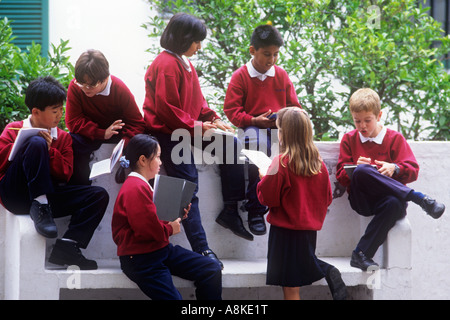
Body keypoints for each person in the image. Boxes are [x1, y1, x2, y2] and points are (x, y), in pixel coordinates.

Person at [143, 13, 249, 266]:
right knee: (188, 182)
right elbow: (168, 110)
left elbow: (198, 101)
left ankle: (231, 210)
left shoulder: (184, 62)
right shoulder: (166, 64)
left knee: (230, 145)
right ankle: (201, 248)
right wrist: (200, 127)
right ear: (184, 38)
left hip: (186, 128)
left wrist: (213, 118)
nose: (199, 47)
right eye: (197, 41)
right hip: (168, 132)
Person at [0, 76, 108, 270]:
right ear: (36, 112)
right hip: (15, 195)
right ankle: (39, 205)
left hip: (49, 197)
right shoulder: (13, 129)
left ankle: (67, 246)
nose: (60, 115)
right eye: (55, 110)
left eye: (61, 109)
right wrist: (24, 148)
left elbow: (65, 174)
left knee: (98, 195)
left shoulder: (63, 138)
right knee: (35, 142)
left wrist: (50, 151)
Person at [336, 88, 445, 271]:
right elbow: (340, 176)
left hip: (388, 200)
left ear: (379, 116)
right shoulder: (349, 139)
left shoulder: (394, 138)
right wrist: (355, 167)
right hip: (361, 200)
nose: (362, 126)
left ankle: (361, 254)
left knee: (395, 204)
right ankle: (418, 197)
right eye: (357, 121)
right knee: (362, 170)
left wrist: (395, 168)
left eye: (367, 120)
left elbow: (413, 170)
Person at [112, 134, 222, 300]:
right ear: (143, 160)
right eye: (157, 157)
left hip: (160, 251)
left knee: (211, 269)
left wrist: (177, 215)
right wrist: (170, 228)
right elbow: (147, 230)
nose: (161, 162)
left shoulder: (143, 185)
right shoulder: (135, 188)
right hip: (141, 260)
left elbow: (151, 220)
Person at [257, 107, 347, 300]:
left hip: (285, 234)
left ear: (284, 134)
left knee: (290, 289)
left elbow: (267, 198)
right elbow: (327, 198)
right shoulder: (319, 164)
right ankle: (327, 269)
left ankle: (327, 269)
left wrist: (264, 177)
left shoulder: (281, 163)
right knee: (303, 265)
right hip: (308, 232)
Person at [224, 23, 301, 236]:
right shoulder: (241, 76)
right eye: (267, 54)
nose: (272, 60)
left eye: (276, 54)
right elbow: (232, 111)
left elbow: (295, 107)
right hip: (251, 129)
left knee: (298, 153)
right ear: (252, 50)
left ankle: (289, 207)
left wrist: (283, 118)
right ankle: (256, 209)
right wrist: (255, 120)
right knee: (260, 148)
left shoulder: (281, 75)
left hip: (278, 129)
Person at [65, 49, 145, 185]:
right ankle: (81, 188)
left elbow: (137, 123)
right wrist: (102, 133)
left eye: (91, 85)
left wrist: (123, 143)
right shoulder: (75, 87)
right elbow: (73, 121)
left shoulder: (119, 89)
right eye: (81, 83)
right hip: (90, 134)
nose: (85, 88)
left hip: (117, 136)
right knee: (72, 141)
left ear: (105, 78)